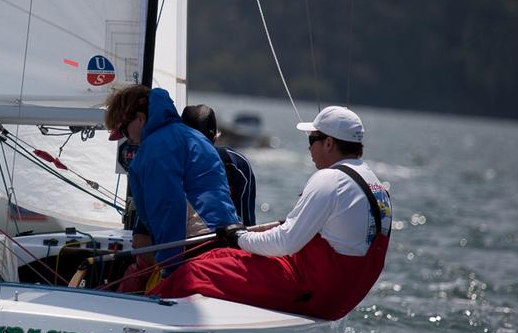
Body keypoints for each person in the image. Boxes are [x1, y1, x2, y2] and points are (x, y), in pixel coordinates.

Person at [154, 105, 392, 320]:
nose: (309, 147)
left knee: (195, 271)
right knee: (215, 258)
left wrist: (239, 238)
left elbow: (286, 242)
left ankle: (146, 314)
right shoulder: (375, 184)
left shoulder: (330, 180)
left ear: (329, 143)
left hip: (313, 291)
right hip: (341, 297)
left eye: (312, 139)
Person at [104, 86, 240, 279]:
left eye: (125, 130)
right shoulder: (187, 135)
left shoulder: (157, 146)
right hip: (219, 239)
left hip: (195, 244)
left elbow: (169, 206)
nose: (128, 138)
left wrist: (169, 267)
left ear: (141, 118)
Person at [181, 104, 257, 226]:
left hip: (178, 242)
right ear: (216, 135)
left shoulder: (166, 163)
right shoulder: (237, 163)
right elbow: (246, 224)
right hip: (226, 239)